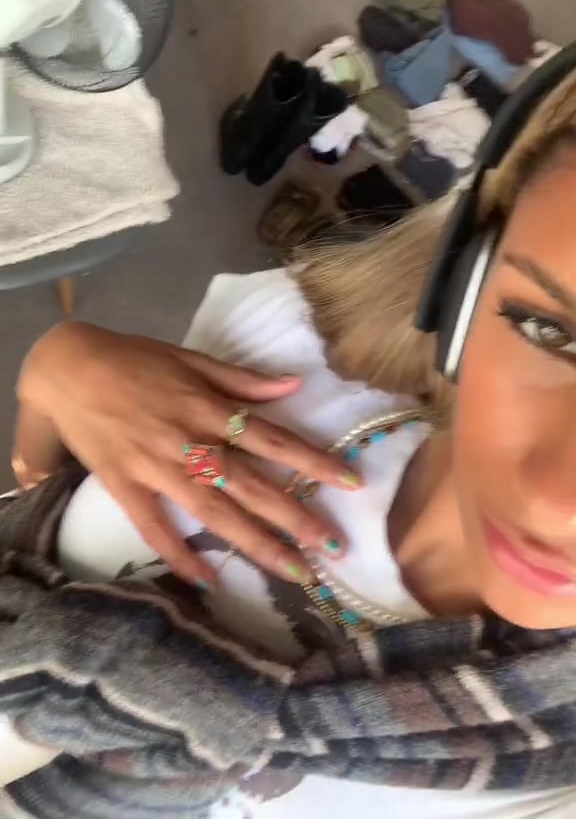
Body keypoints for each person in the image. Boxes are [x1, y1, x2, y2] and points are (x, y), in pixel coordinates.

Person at [3, 49, 576, 817]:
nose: (558, 504)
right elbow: (47, 476)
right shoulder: (289, 347)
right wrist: (62, 371)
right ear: (463, 282)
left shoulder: (546, 779)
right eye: (551, 331)